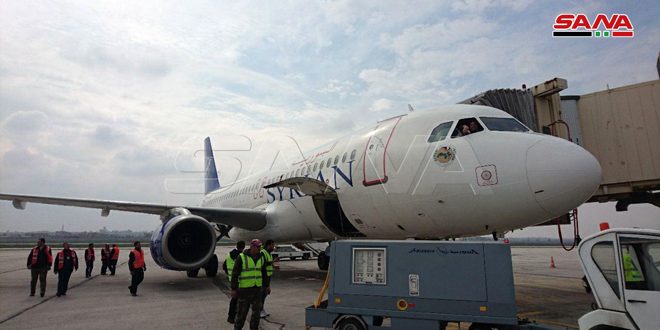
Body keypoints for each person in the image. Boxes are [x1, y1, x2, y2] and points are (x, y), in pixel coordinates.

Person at [231, 239, 270, 330]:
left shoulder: (261, 257)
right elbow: (235, 273)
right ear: (252, 246)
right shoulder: (242, 257)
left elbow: (264, 273)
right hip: (244, 290)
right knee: (241, 314)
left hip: (257, 290)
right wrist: (234, 288)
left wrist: (267, 285)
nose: (259, 248)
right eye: (257, 246)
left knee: (256, 314)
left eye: (260, 246)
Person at [223, 240, 245, 324]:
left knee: (234, 300)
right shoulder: (242, 256)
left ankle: (231, 317)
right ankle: (237, 316)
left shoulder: (229, 255)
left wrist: (229, 274)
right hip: (241, 281)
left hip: (232, 280)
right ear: (243, 247)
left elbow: (224, 266)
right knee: (241, 301)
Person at [259, 240, 277, 318]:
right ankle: (259, 310)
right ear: (268, 245)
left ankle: (261, 309)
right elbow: (262, 265)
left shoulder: (268, 253)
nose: (273, 247)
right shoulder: (263, 252)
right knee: (262, 294)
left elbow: (268, 263)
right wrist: (272, 262)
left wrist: (273, 265)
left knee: (265, 294)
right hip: (264, 277)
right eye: (272, 245)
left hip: (268, 277)